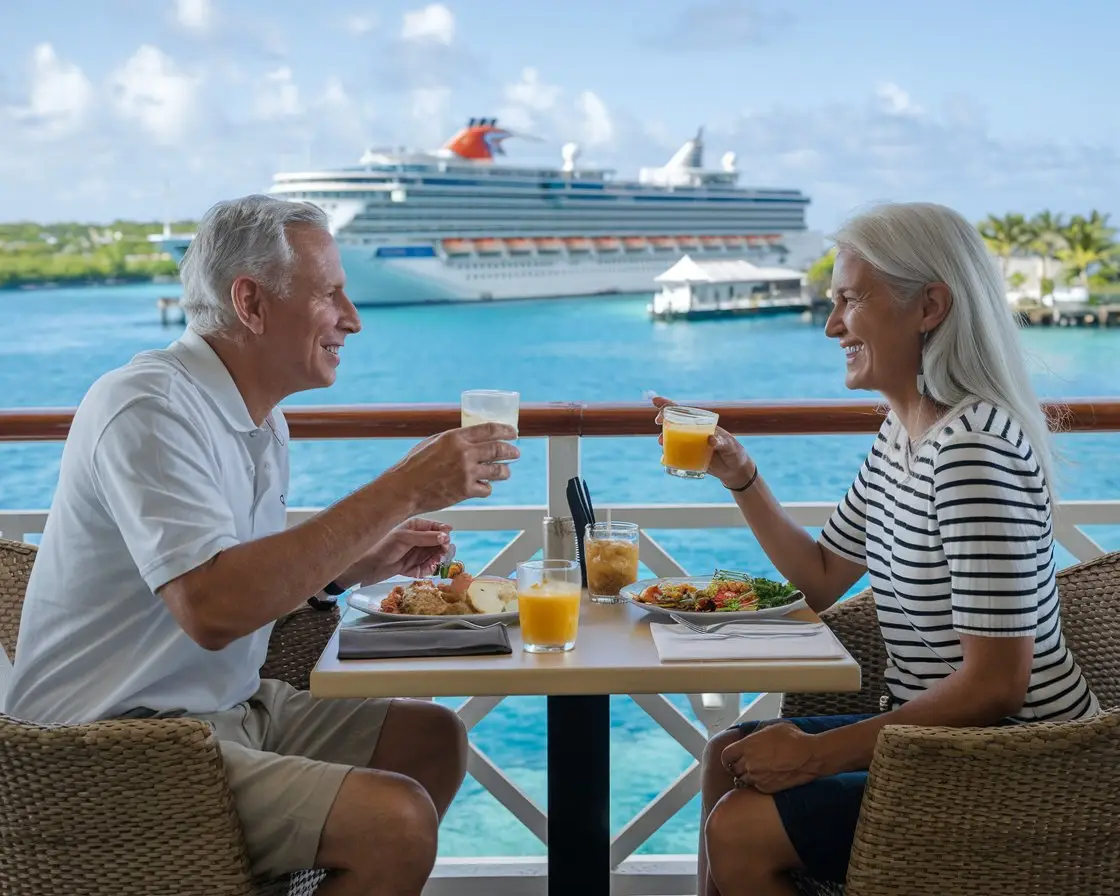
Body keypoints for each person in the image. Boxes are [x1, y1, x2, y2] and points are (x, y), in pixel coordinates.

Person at [6, 194, 520, 896]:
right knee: (393, 821)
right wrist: (405, 487)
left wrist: (343, 571)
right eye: (331, 293)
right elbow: (213, 606)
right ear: (250, 302)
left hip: (229, 713)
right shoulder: (149, 407)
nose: (353, 319)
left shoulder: (259, 422)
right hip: (108, 749)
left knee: (432, 740)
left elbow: (242, 574)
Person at [654, 201, 1100, 896]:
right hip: (938, 748)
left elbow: (996, 685)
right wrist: (740, 476)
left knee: (741, 825)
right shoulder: (905, 433)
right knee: (728, 754)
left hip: (1022, 763)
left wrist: (816, 756)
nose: (832, 325)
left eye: (850, 301)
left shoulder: (973, 452)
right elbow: (823, 576)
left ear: (930, 306)